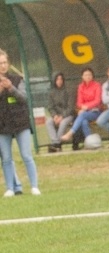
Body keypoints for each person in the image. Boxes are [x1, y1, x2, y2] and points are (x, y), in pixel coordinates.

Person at [0, 49, 41, 197]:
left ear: (8, 63)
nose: (3, 66)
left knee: (26, 155)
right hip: (2, 125)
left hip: (20, 122)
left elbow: (24, 98)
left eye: (4, 63)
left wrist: (11, 88)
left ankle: (34, 186)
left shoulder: (17, 79)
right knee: (6, 158)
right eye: (0, 63)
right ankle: (10, 188)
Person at [60, 67, 102, 147]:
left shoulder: (97, 85)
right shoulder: (80, 87)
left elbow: (97, 101)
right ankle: (90, 143)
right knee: (83, 121)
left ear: (92, 76)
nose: (88, 76)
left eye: (89, 75)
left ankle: (70, 133)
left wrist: (87, 107)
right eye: (85, 75)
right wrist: (83, 108)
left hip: (96, 111)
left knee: (82, 115)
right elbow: (79, 102)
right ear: (82, 77)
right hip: (85, 112)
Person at [44, 72, 74, 153]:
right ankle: (56, 142)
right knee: (49, 122)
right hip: (56, 115)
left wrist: (62, 116)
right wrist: (54, 116)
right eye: (57, 79)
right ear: (54, 80)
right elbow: (50, 107)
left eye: (61, 79)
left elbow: (70, 107)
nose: (59, 81)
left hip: (68, 115)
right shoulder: (51, 92)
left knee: (63, 122)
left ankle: (56, 144)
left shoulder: (68, 90)